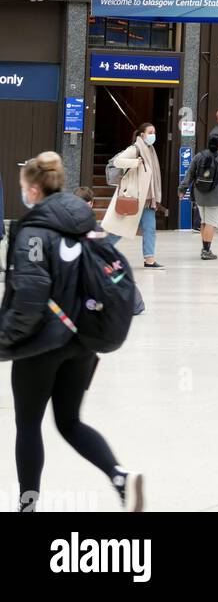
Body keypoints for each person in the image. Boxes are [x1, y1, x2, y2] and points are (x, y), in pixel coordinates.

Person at [0, 152, 144, 512]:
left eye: (23, 188)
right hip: (82, 341)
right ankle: (119, 476)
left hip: (41, 346)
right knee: (70, 422)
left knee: (28, 425)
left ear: (34, 189)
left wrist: (3, 341)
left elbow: (29, 302)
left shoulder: (33, 232)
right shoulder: (85, 224)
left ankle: (27, 505)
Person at [101, 121, 164, 269]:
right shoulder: (135, 149)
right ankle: (101, 251)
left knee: (150, 228)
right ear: (142, 135)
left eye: (154, 133)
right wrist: (136, 162)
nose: (153, 135)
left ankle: (149, 260)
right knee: (120, 229)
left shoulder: (151, 150)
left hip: (148, 199)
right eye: (150, 133)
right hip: (134, 197)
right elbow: (117, 162)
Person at [179, 135, 218, 261]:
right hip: (217, 197)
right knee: (211, 223)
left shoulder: (199, 156)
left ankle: (205, 247)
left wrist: (182, 189)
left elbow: (189, 174)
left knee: (204, 222)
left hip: (200, 195)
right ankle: (206, 251)